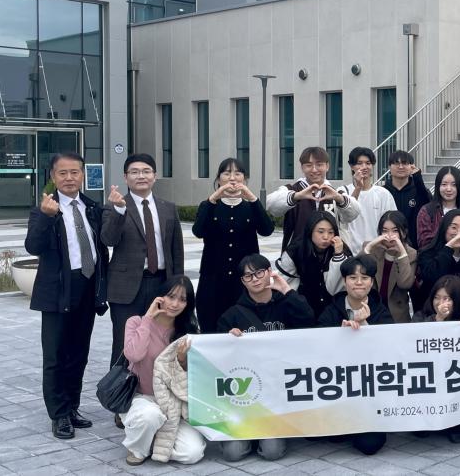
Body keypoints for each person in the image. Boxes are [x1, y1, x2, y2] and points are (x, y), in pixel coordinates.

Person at [25, 152, 109, 439]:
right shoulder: (44, 210)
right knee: (56, 355)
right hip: (58, 291)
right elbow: (33, 246)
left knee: (78, 353)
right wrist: (46, 218)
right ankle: (59, 414)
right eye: (63, 173)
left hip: (87, 286)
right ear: (53, 176)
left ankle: (72, 407)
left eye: (75, 172)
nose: (69, 178)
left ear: (83, 175)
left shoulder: (92, 207)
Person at [217, 254, 315, 461]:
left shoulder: (287, 303)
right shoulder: (232, 315)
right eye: (248, 276)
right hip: (245, 397)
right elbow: (220, 360)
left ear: (269, 272)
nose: (254, 279)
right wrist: (228, 340)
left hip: (278, 394)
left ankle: (267, 434)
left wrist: (286, 289)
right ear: (242, 281)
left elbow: (308, 319)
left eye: (259, 272)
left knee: (272, 452)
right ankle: (246, 435)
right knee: (232, 454)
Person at [102, 153, 184, 373]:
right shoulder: (114, 206)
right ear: (125, 177)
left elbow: (176, 250)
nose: (141, 176)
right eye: (135, 172)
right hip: (126, 289)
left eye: (146, 171)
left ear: (154, 176)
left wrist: (179, 286)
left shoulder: (168, 207)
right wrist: (119, 210)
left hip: (162, 284)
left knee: (163, 340)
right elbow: (108, 239)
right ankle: (120, 391)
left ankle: (157, 386)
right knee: (125, 344)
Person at [120, 276, 205, 466]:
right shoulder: (136, 322)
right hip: (143, 398)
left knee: (193, 453)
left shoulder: (189, 331)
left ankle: (150, 441)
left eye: (182, 299)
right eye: (171, 296)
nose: (175, 304)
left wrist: (182, 360)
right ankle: (138, 448)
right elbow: (134, 355)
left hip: (174, 403)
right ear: (160, 296)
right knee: (150, 416)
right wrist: (148, 319)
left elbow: (195, 376)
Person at [317, 255, 391, 455]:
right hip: (339, 387)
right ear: (344, 281)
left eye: (365, 278)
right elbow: (318, 348)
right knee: (327, 435)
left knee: (370, 445)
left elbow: (389, 350)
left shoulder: (381, 311)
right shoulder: (331, 311)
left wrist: (364, 325)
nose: (359, 282)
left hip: (370, 389)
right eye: (353, 278)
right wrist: (340, 337)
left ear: (372, 282)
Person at [192, 158, 274, 333]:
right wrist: (214, 197)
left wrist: (252, 198)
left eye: (238, 173)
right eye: (226, 173)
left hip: (245, 281)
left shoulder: (250, 207)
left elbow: (267, 230)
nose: (232, 178)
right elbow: (198, 231)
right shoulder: (208, 206)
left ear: (244, 179)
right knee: (211, 327)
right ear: (218, 178)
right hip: (212, 279)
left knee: (245, 329)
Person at [411, 275, 460, 443]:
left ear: (457, 300)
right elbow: (413, 338)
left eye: (447, 299)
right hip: (427, 376)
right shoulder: (420, 316)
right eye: (437, 298)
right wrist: (438, 319)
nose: (440, 303)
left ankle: (456, 422)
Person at [265, 146, 360, 252]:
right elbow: (270, 204)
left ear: (327, 166)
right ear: (302, 168)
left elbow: (354, 213)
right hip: (296, 255)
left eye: (319, 165)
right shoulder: (291, 190)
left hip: (328, 256)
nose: (314, 170)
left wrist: (339, 198)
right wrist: (297, 196)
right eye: (308, 165)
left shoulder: (335, 193)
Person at [277, 211, 350, 317]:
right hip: (302, 305)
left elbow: (335, 288)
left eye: (331, 232)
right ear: (310, 230)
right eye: (320, 232)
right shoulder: (295, 250)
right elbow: (285, 283)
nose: (326, 237)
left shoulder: (342, 250)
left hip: (334, 306)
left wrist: (338, 255)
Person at [337, 147, 398, 253]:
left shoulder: (383, 194)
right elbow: (346, 215)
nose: (364, 167)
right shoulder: (342, 191)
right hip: (350, 253)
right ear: (351, 166)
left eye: (368, 163)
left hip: (377, 252)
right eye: (359, 163)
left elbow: (393, 223)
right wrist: (358, 188)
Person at [362, 211, 417, 323]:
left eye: (395, 231)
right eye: (385, 231)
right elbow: (359, 271)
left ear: (404, 233)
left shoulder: (410, 253)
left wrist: (401, 252)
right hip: (372, 309)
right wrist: (370, 246)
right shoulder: (371, 248)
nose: (390, 235)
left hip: (397, 313)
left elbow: (405, 283)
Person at [382, 150, 431, 248]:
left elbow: (429, 206)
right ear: (389, 167)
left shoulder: (420, 190)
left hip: (416, 246)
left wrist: (418, 178)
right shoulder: (383, 192)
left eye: (404, 163)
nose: (400, 167)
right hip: (388, 244)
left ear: (411, 166)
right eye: (396, 163)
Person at [416, 166, 460, 250]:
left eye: (454, 185)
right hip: (435, 257)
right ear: (438, 186)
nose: (448, 189)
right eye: (444, 184)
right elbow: (424, 243)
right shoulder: (427, 211)